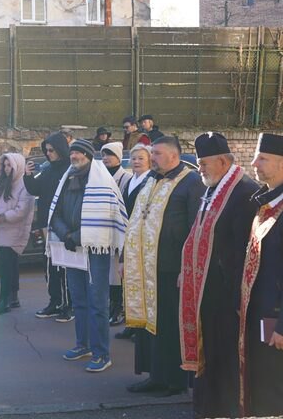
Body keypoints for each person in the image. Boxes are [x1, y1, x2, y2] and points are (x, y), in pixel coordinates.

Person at [180, 133, 260, 418]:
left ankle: (224, 408)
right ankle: (207, 407)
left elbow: (243, 248)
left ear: (224, 161)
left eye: (203, 163)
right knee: (209, 353)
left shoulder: (245, 191)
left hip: (226, 294)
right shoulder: (213, 188)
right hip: (207, 291)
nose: (199, 168)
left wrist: (235, 293)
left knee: (224, 356)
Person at [124, 136, 204, 395]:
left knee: (170, 324)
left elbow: (196, 228)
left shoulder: (191, 182)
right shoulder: (151, 179)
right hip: (146, 266)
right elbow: (136, 219)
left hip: (172, 269)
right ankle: (155, 375)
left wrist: (187, 267)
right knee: (150, 324)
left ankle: (175, 380)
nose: (152, 157)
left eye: (156, 153)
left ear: (173, 155)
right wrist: (127, 258)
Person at [48, 139, 127, 373]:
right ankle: (83, 345)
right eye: (72, 153)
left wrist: (79, 236)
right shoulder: (67, 179)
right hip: (71, 247)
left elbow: (105, 218)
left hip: (94, 250)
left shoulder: (103, 182)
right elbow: (56, 212)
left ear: (88, 156)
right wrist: (67, 235)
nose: (74, 156)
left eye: (79, 153)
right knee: (78, 300)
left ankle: (102, 353)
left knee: (97, 303)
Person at [238, 132, 283, 418]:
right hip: (260, 314)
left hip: (275, 317)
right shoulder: (265, 202)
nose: (254, 163)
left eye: (263, 157)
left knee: (274, 383)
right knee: (262, 379)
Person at [26, 132, 72, 321]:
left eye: (52, 150)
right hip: (46, 223)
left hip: (63, 224)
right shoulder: (48, 169)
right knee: (50, 266)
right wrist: (27, 176)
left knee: (66, 267)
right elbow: (35, 190)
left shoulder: (70, 170)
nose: (49, 154)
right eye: (46, 151)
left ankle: (69, 305)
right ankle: (54, 302)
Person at [0, 153, 35, 315]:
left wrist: (2, 217)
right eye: (4, 166)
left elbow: (21, 211)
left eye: (9, 166)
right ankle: (13, 297)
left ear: (17, 166)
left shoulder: (24, 185)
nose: (6, 169)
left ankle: (4, 300)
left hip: (14, 231)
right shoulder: (2, 184)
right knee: (10, 265)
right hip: (0, 230)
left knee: (5, 267)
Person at [115, 143, 155, 341]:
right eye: (134, 158)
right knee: (128, 280)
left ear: (149, 160)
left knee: (140, 282)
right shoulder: (131, 180)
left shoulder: (150, 181)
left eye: (141, 158)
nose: (137, 161)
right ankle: (131, 323)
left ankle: (141, 327)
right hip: (127, 234)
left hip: (141, 237)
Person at [100, 141, 131, 326]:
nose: (105, 158)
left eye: (109, 154)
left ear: (118, 157)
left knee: (119, 271)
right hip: (105, 229)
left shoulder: (126, 178)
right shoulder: (101, 176)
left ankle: (119, 307)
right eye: (103, 155)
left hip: (120, 228)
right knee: (110, 272)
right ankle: (113, 305)